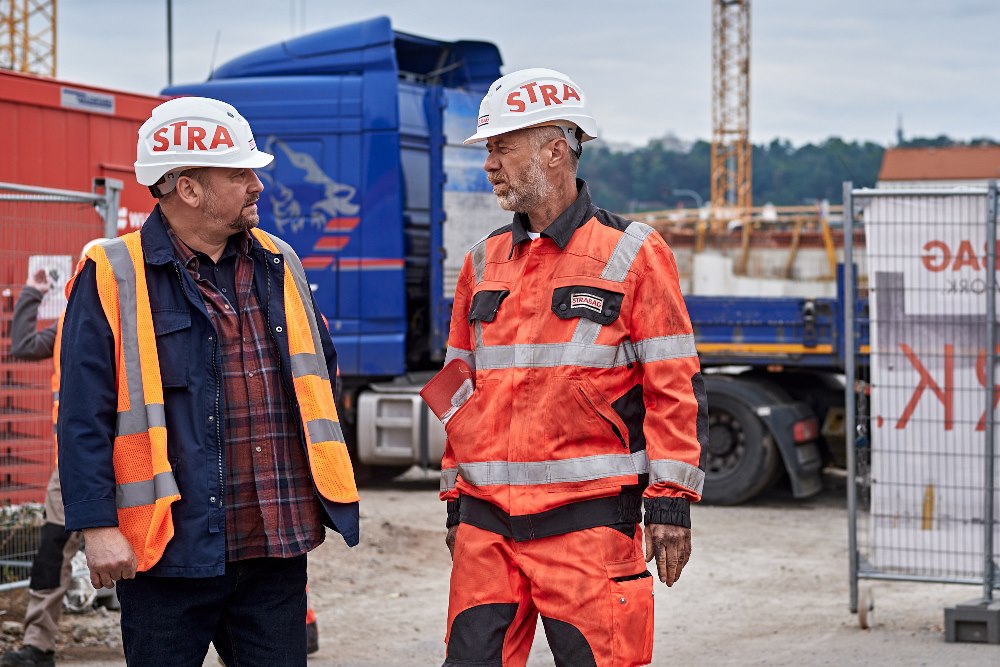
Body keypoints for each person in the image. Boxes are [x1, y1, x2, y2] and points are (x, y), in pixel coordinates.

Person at [57, 96, 359, 667]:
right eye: (239, 174)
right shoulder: (114, 274)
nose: (256, 185)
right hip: (168, 556)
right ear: (189, 189)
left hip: (273, 550)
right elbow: (81, 416)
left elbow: (321, 375)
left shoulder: (279, 261)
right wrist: (97, 526)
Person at [437, 68, 707, 667]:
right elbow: (456, 389)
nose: (490, 165)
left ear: (555, 151)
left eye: (502, 147)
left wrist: (670, 503)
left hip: (589, 527)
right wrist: (456, 498)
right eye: (488, 150)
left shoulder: (633, 253)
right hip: (486, 532)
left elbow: (674, 385)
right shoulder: (482, 262)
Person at [2, 241, 107, 667]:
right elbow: (23, 345)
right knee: (51, 548)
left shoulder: (136, 317)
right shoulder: (68, 319)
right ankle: (38, 645)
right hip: (72, 461)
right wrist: (32, 292)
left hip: (131, 456)